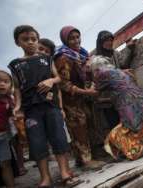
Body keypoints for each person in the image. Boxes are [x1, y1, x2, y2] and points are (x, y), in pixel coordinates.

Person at [8, 25, 82, 187]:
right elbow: (17, 88)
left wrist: (50, 80)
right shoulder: (15, 64)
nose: (30, 43)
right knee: (37, 143)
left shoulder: (47, 59)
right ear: (17, 42)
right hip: (31, 110)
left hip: (51, 106)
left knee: (59, 139)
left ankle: (64, 173)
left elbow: (58, 79)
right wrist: (17, 106)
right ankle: (45, 178)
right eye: (25, 40)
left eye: (33, 39)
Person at [90, 60, 143, 160]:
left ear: (96, 69)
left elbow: (94, 92)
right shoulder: (117, 71)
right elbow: (119, 92)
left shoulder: (101, 73)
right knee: (114, 136)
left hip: (137, 115)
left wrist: (90, 85)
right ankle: (126, 150)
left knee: (133, 154)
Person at [54, 26, 97, 168]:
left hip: (80, 98)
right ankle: (87, 160)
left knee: (84, 124)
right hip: (70, 100)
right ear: (65, 40)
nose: (76, 40)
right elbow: (64, 84)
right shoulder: (63, 57)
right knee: (79, 127)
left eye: (77, 37)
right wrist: (87, 92)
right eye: (71, 38)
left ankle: (81, 159)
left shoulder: (81, 54)